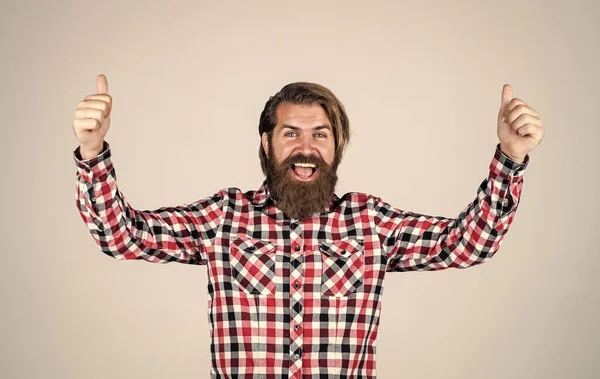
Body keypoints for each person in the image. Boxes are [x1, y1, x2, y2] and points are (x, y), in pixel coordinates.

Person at [72, 74, 544, 378]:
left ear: (337, 146)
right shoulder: (223, 218)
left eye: (320, 135)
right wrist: (93, 152)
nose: (306, 147)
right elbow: (122, 235)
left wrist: (511, 157)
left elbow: (467, 245)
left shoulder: (370, 223)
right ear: (266, 142)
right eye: (290, 133)